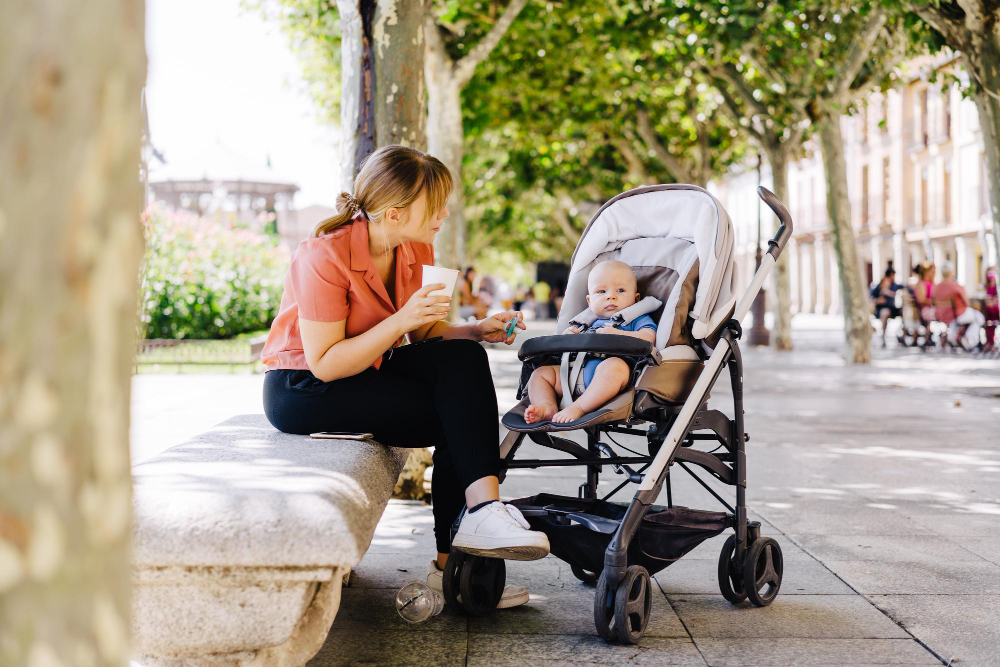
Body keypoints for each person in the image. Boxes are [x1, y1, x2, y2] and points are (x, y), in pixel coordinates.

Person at [259, 145, 547, 610]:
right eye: (435, 207)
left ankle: (479, 519)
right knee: (457, 413)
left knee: (464, 360)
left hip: (367, 370)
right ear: (394, 214)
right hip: (303, 389)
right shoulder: (322, 256)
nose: (444, 214)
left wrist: (476, 329)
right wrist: (399, 321)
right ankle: (459, 559)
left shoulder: (416, 246)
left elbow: (424, 333)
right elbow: (326, 363)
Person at [524, 260, 657, 424]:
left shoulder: (635, 318)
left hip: (611, 381)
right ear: (589, 301)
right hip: (574, 376)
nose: (611, 296)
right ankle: (547, 406)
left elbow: (649, 336)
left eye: (621, 290)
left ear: (636, 299)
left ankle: (578, 408)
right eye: (601, 291)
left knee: (615, 367)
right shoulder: (585, 322)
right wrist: (570, 336)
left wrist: (617, 334)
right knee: (540, 374)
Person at [933, 261, 984, 349]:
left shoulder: (936, 287)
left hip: (941, 316)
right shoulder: (956, 286)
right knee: (979, 317)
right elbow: (967, 302)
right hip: (956, 315)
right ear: (951, 272)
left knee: (964, 318)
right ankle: (968, 338)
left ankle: (954, 337)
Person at [870, 267, 903, 348]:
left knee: (904, 312)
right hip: (882, 309)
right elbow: (871, 297)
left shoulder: (895, 286)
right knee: (884, 313)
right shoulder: (878, 287)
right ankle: (883, 336)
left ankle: (903, 334)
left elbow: (903, 288)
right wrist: (878, 300)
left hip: (893, 308)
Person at [984, 267, 998, 351]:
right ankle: (990, 342)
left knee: (989, 318)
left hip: (995, 311)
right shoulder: (987, 287)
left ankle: (990, 343)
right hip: (990, 310)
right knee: (987, 317)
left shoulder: (995, 288)